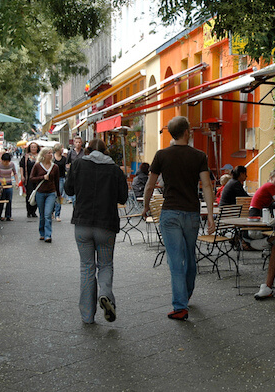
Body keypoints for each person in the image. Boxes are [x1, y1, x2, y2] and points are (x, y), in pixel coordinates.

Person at [141, 116, 215, 321]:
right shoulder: (199, 156)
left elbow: (150, 184)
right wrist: (209, 215)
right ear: (186, 132)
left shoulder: (161, 155)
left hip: (170, 212)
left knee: (175, 259)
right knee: (190, 255)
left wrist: (146, 205)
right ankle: (186, 293)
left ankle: (180, 305)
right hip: (191, 212)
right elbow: (206, 185)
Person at [64, 139, 128, 324]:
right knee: (105, 265)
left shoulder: (77, 165)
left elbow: (68, 190)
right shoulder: (115, 170)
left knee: (87, 267)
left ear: (88, 150)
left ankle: (87, 316)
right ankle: (106, 294)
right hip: (106, 225)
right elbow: (123, 197)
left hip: (83, 223)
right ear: (106, 152)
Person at [29, 147, 60, 243]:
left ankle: (48, 235)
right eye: (49, 153)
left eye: (51, 153)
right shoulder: (37, 166)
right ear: (43, 155)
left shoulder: (55, 167)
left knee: (48, 214)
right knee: (42, 215)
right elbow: (31, 178)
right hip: (40, 193)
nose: (51, 154)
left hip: (51, 193)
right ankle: (42, 233)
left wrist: (58, 195)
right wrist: (42, 177)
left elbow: (57, 181)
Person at [19, 142, 41, 218]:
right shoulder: (26, 157)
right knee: (29, 195)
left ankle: (34, 211)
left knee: (37, 195)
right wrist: (22, 176)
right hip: (28, 178)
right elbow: (21, 166)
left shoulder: (40, 157)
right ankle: (29, 211)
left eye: (35, 147)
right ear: (29, 148)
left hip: (38, 179)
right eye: (32, 147)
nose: (33, 149)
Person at [0, 152, 17, 221]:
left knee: (9, 200)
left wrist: (17, 181)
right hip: (1, 184)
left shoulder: (12, 165)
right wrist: (0, 180)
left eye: (7, 161)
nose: (6, 163)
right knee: (1, 200)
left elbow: (15, 173)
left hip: (9, 183)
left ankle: (8, 216)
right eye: (5, 161)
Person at [66, 136, 86, 204]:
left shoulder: (84, 152)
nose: (78, 144)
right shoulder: (71, 152)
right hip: (73, 174)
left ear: (81, 143)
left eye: (79, 142)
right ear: (74, 143)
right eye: (76, 142)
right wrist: (68, 170)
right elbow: (67, 163)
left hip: (82, 174)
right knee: (75, 196)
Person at [52, 143, 67, 222]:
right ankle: (51, 211)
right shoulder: (52, 158)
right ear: (57, 150)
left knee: (59, 196)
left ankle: (57, 214)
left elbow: (66, 168)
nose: (62, 150)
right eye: (61, 148)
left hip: (61, 178)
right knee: (52, 196)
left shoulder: (64, 158)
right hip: (52, 179)